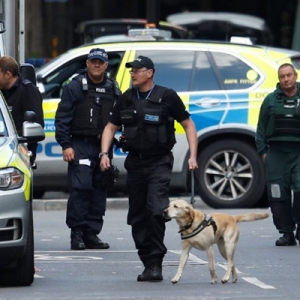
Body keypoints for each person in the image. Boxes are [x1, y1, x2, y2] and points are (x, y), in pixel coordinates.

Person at [100, 56, 198, 281]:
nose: (133, 73)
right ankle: (147, 261)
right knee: (137, 216)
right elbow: (110, 127)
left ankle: (155, 263)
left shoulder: (167, 96)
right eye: (131, 70)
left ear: (150, 73)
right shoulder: (126, 98)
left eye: (137, 70)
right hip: (135, 162)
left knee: (156, 210)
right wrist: (104, 154)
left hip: (159, 162)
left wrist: (193, 156)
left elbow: (188, 124)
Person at [55, 48, 121, 250]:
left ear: (106, 65)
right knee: (81, 188)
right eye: (93, 61)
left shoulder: (112, 88)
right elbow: (63, 117)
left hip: (103, 146)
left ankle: (91, 233)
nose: (96, 65)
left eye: (100, 62)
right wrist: (66, 145)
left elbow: (119, 117)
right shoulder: (75, 86)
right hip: (81, 144)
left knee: (100, 189)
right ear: (87, 63)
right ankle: (77, 234)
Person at [256, 62, 300, 246]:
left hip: (298, 152)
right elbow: (260, 130)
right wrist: (264, 154)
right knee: (277, 194)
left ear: (295, 76)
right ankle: (286, 233)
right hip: (276, 153)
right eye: (282, 76)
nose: (286, 79)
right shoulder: (271, 100)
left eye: (289, 75)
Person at [0, 56, 44, 166]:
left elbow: (36, 124)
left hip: (20, 152)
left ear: (8, 74)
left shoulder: (28, 91)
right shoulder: (3, 92)